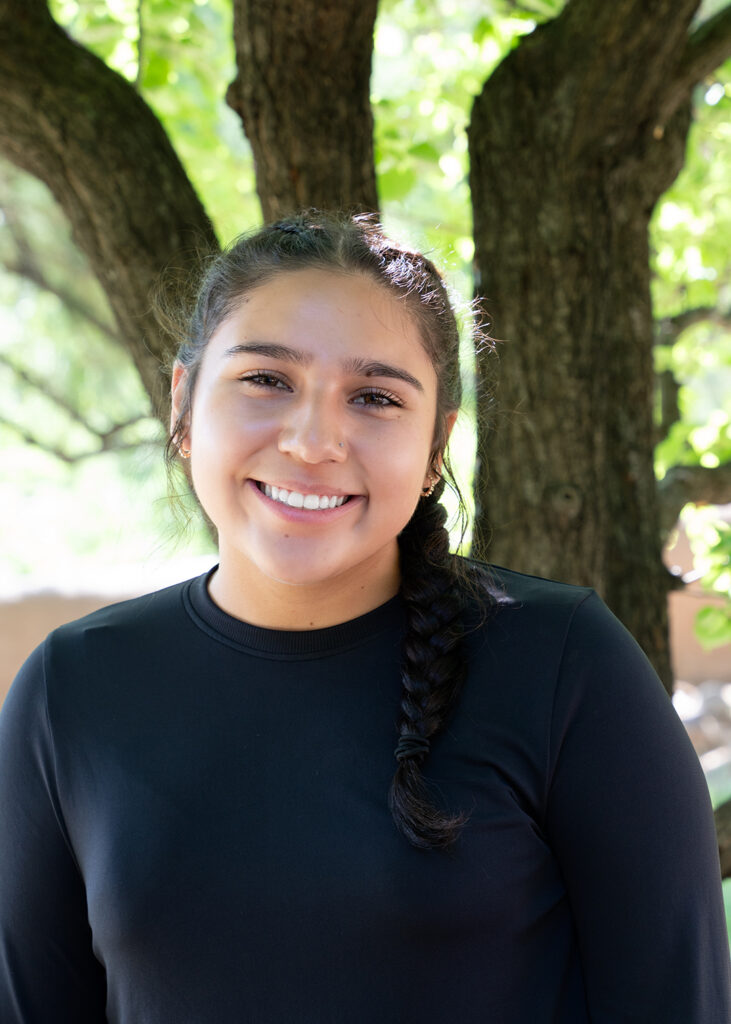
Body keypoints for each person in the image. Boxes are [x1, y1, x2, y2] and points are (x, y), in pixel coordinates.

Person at [0, 212, 728, 1024]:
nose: (313, 441)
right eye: (266, 380)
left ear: (434, 449)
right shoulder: (74, 690)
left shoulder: (564, 667)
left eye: (375, 397)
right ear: (184, 402)